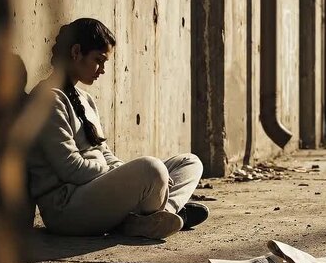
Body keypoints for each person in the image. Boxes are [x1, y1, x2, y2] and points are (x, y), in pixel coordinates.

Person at [26, 18, 208, 239]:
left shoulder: (86, 99)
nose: (102, 70)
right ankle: (156, 213)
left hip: (96, 191)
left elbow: (106, 154)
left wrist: (121, 169)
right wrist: (121, 172)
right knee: (151, 169)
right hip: (68, 208)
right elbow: (70, 169)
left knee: (189, 162)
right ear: (76, 52)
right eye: (98, 60)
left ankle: (159, 216)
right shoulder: (47, 100)